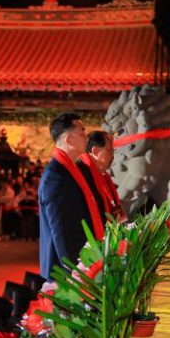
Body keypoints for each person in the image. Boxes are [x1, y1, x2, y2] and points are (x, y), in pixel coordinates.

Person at [38, 112, 104, 280]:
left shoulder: (71, 170)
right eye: (82, 133)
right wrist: (75, 271)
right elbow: (61, 231)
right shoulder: (56, 176)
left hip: (82, 262)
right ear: (69, 140)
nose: (86, 138)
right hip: (67, 272)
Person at [77, 131, 126, 223]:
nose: (112, 156)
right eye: (109, 150)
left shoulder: (103, 175)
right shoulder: (81, 174)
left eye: (113, 151)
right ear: (95, 151)